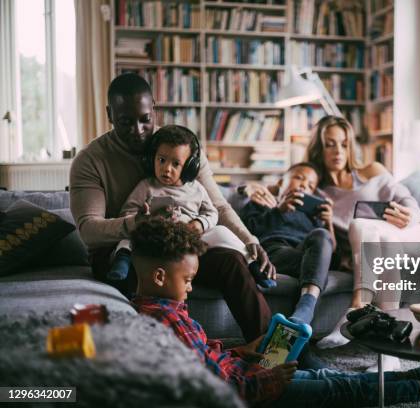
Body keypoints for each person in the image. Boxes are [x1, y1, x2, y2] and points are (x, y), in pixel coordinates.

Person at [130, 218, 420, 407]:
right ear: (159, 275)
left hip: (245, 369)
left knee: (327, 376)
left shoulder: (162, 309)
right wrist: (266, 382)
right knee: (334, 388)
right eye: (187, 280)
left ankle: (418, 376)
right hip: (252, 388)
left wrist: (240, 350)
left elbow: (198, 356)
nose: (190, 288)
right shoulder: (163, 320)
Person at [69, 72, 274, 342]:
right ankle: (180, 360)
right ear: (109, 114)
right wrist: (135, 224)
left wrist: (250, 241)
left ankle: (275, 353)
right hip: (126, 253)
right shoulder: (90, 160)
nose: (138, 131)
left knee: (233, 262)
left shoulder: (181, 151)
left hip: (181, 245)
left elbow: (218, 206)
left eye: (145, 120)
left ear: (154, 107)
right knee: (153, 274)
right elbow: (88, 229)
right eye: (125, 122)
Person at [307, 116, 420, 372]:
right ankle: (389, 358)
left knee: (361, 225)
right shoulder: (317, 192)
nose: (338, 151)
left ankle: (358, 304)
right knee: (381, 238)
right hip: (382, 242)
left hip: (415, 231)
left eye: (344, 144)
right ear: (318, 148)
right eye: (330, 144)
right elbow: (283, 190)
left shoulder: (372, 170)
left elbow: (407, 198)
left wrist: (408, 215)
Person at [108, 124, 263, 283]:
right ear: (151, 158)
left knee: (222, 232)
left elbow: (212, 212)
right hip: (156, 237)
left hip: (190, 238)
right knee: (128, 239)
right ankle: (123, 261)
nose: (167, 169)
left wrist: (200, 223)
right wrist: (141, 219)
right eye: (161, 160)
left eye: (176, 164)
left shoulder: (197, 189)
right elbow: (126, 213)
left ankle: (252, 264)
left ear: (189, 167)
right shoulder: (146, 186)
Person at [240, 162, 335, 327]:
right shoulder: (261, 202)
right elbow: (247, 230)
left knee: (321, 235)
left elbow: (330, 252)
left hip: (306, 255)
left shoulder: (313, 217)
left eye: (311, 186)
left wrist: (329, 224)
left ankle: (306, 307)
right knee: (314, 262)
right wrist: (279, 211)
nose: (304, 185)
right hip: (275, 252)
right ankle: (306, 309)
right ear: (279, 183)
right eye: (299, 178)